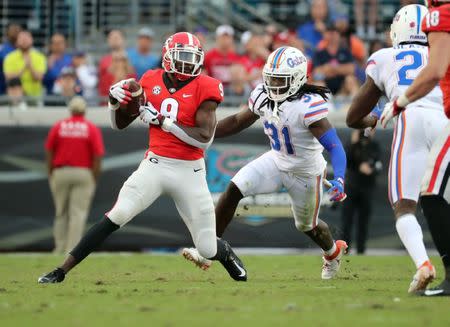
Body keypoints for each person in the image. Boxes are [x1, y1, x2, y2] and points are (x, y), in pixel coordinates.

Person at [38, 32, 247, 284]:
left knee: (206, 249)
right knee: (118, 214)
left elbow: (204, 138)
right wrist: (115, 102)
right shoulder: (149, 79)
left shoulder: (207, 85)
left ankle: (224, 252)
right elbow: (120, 124)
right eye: (182, 57)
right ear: (168, 57)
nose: (188, 63)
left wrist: (163, 121)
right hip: (155, 164)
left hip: (190, 170)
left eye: (192, 58)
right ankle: (61, 270)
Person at [182, 46, 348, 280]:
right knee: (233, 189)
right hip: (276, 160)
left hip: (305, 171)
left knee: (306, 226)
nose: (273, 85)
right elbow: (238, 121)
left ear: (297, 79)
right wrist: (204, 135)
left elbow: (335, 146)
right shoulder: (263, 94)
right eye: (270, 79)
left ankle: (332, 252)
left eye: (280, 80)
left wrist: (340, 177)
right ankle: (207, 251)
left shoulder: (308, 106)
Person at [346, 5, 445, 293]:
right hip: (445, 122)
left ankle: (423, 264)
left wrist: (374, 119)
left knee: (404, 206)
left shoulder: (385, 57)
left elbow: (353, 117)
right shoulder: (442, 53)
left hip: (409, 118)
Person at [380, 0, 450, 296]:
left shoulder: (440, 13)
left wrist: (399, 101)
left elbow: (434, 70)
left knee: (431, 192)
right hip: (441, 119)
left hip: (416, 118)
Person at [44, 96, 104, 254]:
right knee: (78, 213)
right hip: (83, 173)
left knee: (61, 212)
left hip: (60, 171)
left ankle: (59, 248)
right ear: (84, 111)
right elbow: (97, 155)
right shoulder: (90, 127)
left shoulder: (59, 126)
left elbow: (49, 150)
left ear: (70, 110)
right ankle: (71, 250)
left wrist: (51, 172)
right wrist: (93, 177)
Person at [341, 129, 382, 254]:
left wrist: (371, 170)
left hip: (367, 188)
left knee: (363, 221)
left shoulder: (375, 146)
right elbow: (345, 161)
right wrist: (353, 143)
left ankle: (361, 250)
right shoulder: (351, 145)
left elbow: (379, 165)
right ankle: (344, 249)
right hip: (351, 187)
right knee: (347, 220)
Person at [312, 23, 356, 95]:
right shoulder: (319, 53)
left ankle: (355, 106)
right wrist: (341, 70)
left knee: (350, 80)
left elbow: (351, 70)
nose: (333, 35)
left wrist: (330, 68)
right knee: (318, 84)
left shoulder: (345, 52)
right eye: (331, 33)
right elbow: (316, 73)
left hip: (343, 89)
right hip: (325, 89)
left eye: (336, 32)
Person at [3, 30, 46, 99]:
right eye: (22, 39)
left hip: (34, 97)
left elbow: (39, 78)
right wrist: (23, 68)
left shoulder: (40, 57)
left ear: (32, 40)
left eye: (26, 38)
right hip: (15, 97)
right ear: (17, 41)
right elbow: (8, 78)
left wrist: (30, 66)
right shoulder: (9, 57)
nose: (24, 41)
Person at [98, 30, 126, 97]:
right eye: (112, 38)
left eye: (117, 37)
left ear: (123, 40)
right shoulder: (104, 60)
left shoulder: (130, 60)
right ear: (108, 41)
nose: (114, 40)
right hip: (107, 100)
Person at [0, 23, 22, 94]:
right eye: (12, 30)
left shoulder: (26, 50)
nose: (15, 32)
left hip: (21, 88)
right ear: (7, 33)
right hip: (2, 87)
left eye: (17, 30)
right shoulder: (2, 49)